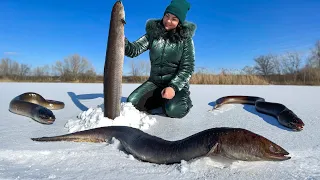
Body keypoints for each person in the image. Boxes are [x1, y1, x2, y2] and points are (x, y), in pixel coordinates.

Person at [124, 0, 196, 118]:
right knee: (131, 103)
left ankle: (183, 100)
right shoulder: (153, 35)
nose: (168, 21)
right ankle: (160, 99)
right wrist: (124, 42)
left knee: (173, 110)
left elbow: (188, 67)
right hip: (155, 83)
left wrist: (173, 87)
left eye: (174, 19)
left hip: (176, 85)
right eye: (167, 16)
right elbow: (134, 50)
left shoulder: (185, 40)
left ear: (179, 22)